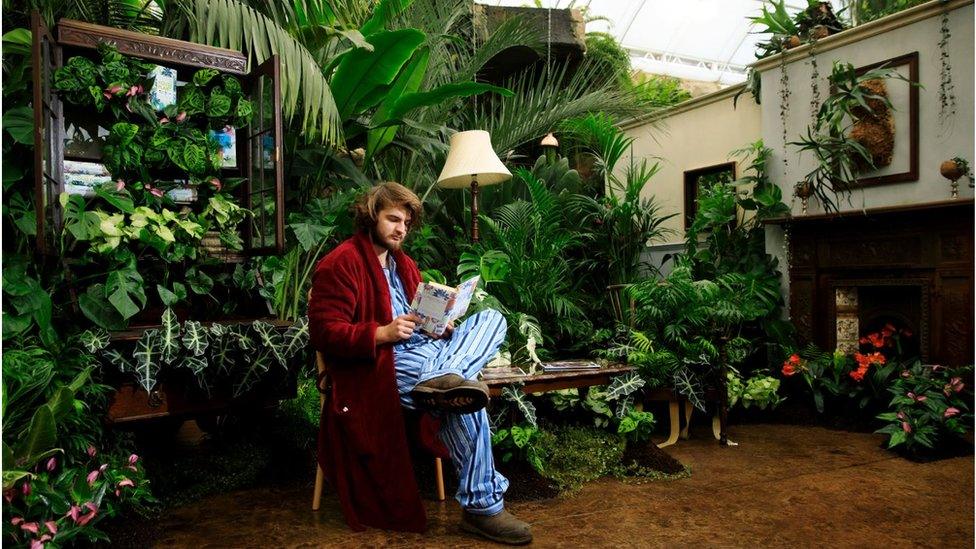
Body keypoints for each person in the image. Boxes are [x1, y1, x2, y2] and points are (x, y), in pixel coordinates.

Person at [308, 182, 532, 545]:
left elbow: (420, 319)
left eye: (406, 223)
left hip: (428, 354)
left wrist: (442, 324)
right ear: (371, 216)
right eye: (393, 219)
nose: (400, 229)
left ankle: (446, 378)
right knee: (464, 402)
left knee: (492, 319)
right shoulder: (342, 262)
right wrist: (381, 333)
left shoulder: (403, 264)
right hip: (383, 364)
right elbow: (324, 332)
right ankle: (483, 509)